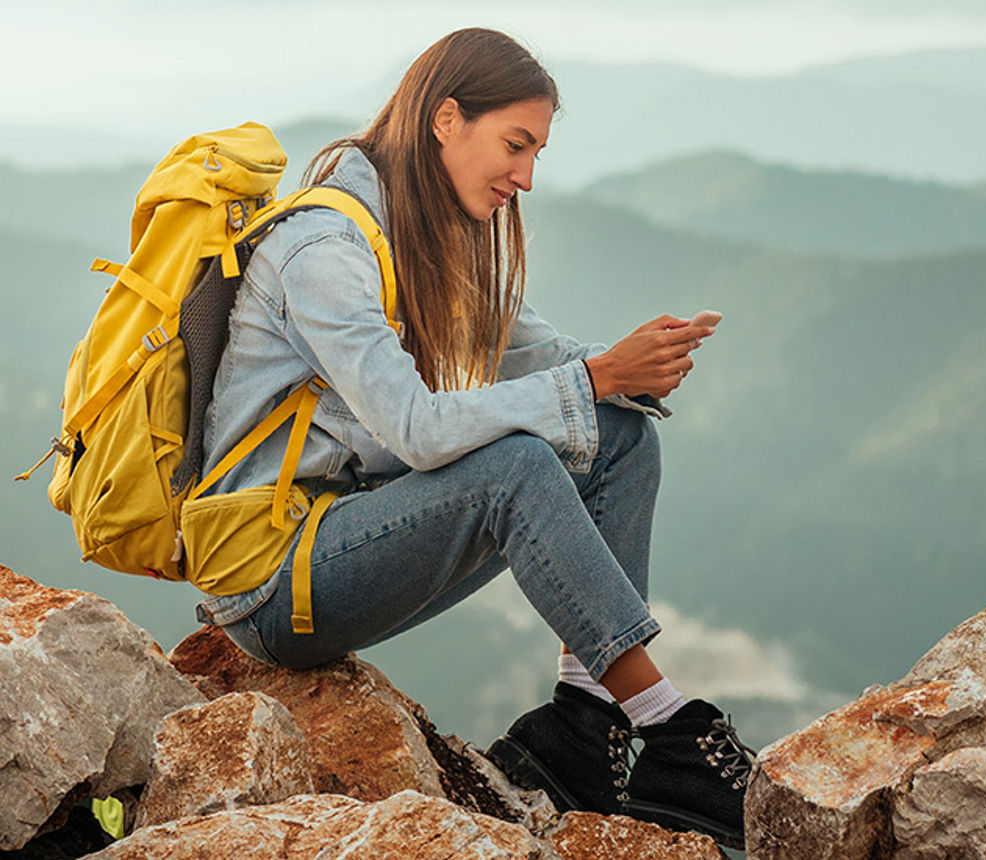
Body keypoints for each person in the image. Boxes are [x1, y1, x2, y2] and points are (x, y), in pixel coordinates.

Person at [191, 27, 753, 847]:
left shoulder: (422, 230)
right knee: (516, 466)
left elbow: (537, 355)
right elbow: (417, 429)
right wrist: (594, 379)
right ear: (446, 118)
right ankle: (669, 730)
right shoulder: (327, 248)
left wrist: (624, 370)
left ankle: (583, 727)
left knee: (621, 438)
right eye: (515, 145)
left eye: (536, 153)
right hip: (275, 581)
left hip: (348, 535)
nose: (525, 177)